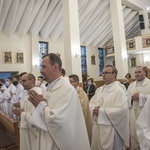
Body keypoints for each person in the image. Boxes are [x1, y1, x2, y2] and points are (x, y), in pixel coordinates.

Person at [27, 53, 90, 150]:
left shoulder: (67, 90)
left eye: (44, 67)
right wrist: (37, 106)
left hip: (58, 144)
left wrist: (40, 105)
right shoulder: (47, 89)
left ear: (55, 67)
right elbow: (43, 114)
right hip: (46, 139)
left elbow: (58, 121)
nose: (41, 70)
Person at [89, 65, 129, 150]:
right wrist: (93, 110)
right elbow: (91, 104)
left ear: (114, 75)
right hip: (97, 127)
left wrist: (102, 112)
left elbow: (122, 110)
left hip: (111, 129)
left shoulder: (119, 91)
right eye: (103, 73)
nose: (103, 75)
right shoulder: (99, 90)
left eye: (107, 73)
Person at [13, 73, 42, 150]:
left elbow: (38, 115)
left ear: (31, 81)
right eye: (21, 81)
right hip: (25, 126)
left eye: (24, 81)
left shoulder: (37, 93)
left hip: (32, 130)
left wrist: (22, 113)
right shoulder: (27, 92)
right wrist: (20, 105)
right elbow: (27, 106)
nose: (22, 83)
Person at [127, 66, 150, 149]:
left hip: (145, 115)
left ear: (145, 73)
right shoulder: (131, 85)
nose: (137, 74)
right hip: (133, 114)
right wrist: (131, 98)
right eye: (135, 72)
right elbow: (126, 97)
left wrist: (141, 97)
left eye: (139, 72)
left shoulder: (149, 84)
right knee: (134, 133)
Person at [69, 74, 92, 143]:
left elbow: (83, 108)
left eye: (71, 82)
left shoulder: (81, 94)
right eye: (68, 82)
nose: (69, 84)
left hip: (78, 123)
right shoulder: (68, 92)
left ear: (77, 82)